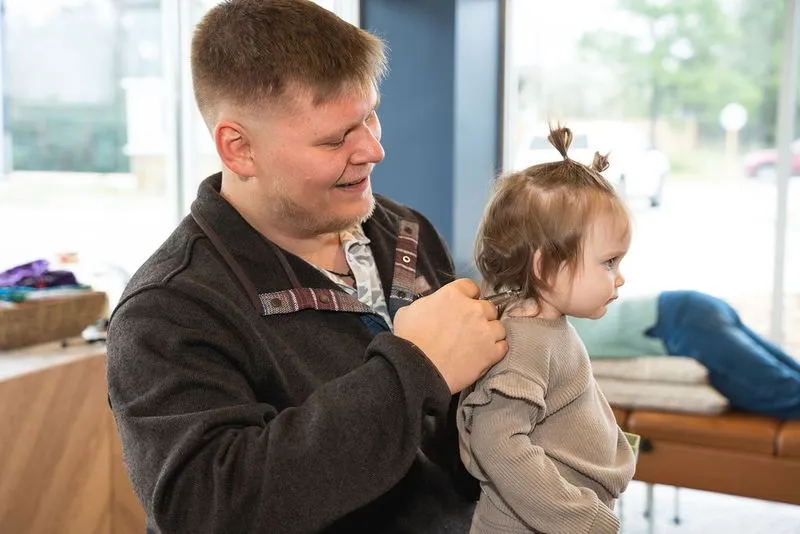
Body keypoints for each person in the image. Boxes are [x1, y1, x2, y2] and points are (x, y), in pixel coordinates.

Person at [105, 1, 508, 533]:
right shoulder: (168, 311)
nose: (374, 149)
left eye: (370, 115)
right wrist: (416, 369)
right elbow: (211, 509)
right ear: (239, 148)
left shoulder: (406, 231)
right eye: (336, 137)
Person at [457, 126, 637, 534]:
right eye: (609, 262)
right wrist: (582, 520)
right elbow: (497, 444)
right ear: (544, 266)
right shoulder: (525, 342)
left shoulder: (548, 326)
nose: (620, 277)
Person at [570, 290, 800, 420]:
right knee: (791, 379)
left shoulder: (552, 325)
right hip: (688, 307)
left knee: (785, 395)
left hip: (681, 322)